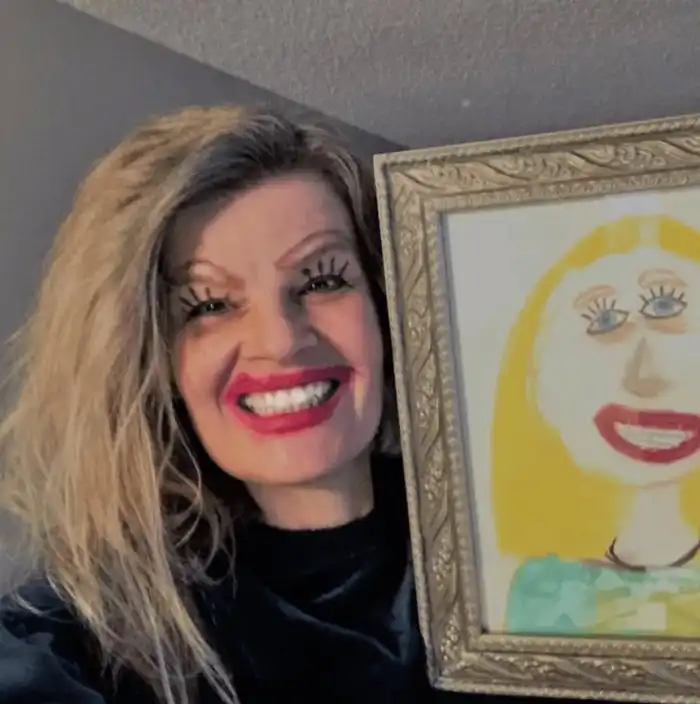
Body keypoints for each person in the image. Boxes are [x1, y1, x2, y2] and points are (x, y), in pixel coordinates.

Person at [0, 104, 557, 703]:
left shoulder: (542, 550)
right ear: (151, 356)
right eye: (210, 305)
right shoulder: (67, 641)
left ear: (388, 302)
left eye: (322, 281)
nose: (282, 341)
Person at [491, 215, 700, 637]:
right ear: (536, 383)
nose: (644, 374)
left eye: (667, 306)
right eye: (604, 321)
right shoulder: (541, 594)